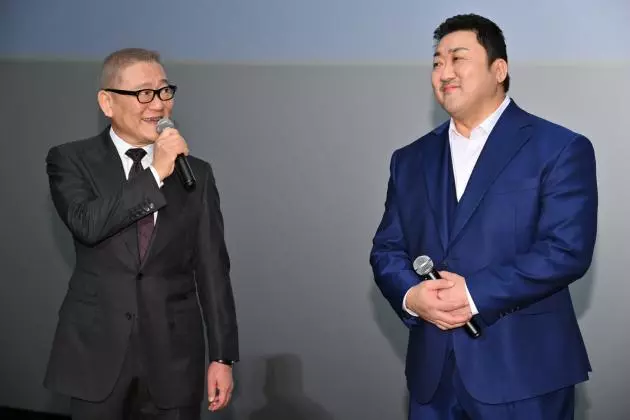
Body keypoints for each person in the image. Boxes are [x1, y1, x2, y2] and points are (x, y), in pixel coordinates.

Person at [370, 14, 597, 420]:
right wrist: (411, 296)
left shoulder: (559, 148)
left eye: (458, 58)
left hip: (525, 373)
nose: (444, 72)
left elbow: (565, 250)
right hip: (432, 378)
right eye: (437, 62)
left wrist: (472, 293)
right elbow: (387, 249)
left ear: (499, 69)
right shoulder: (409, 159)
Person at [44, 48, 239, 420]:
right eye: (144, 93)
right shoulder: (70, 160)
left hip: (174, 357)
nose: (159, 104)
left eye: (164, 91)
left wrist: (222, 356)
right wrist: (155, 174)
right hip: (96, 356)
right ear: (107, 102)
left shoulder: (196, 174)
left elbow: (213, 269)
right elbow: (87, 223)